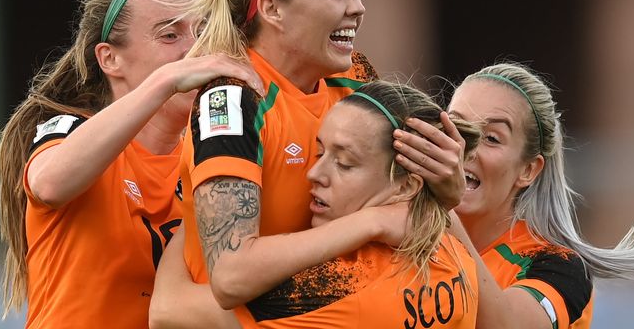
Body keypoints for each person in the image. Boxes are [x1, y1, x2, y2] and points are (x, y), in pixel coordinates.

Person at [175, 0, 467, 326]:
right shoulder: (234, 100)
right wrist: (369, 223)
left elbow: (413, 203)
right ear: (273, 8)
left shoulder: (355, 75)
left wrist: (446, 190)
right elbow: (232, 276)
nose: (357, 7)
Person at [0, 0, 263, 328]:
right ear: (110, 59)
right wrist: (166, 80)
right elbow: (50, 184)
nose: (196, 48)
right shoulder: (71, 131)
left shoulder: (210, 159)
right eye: (169, 34)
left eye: (200, 32)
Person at [151, 80, 481, 329]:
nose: (314, 173)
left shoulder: (336, 286)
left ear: (406, 185)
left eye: (345, 163)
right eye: (321, 152)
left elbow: (168, 309)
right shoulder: (458, 255)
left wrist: (197, 206)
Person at [397, 62, 634, 329]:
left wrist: (444, 207)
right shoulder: (402, 237)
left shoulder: (558, 267)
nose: (465, 146)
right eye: (458, 125)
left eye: (491, 138)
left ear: (528, 170)